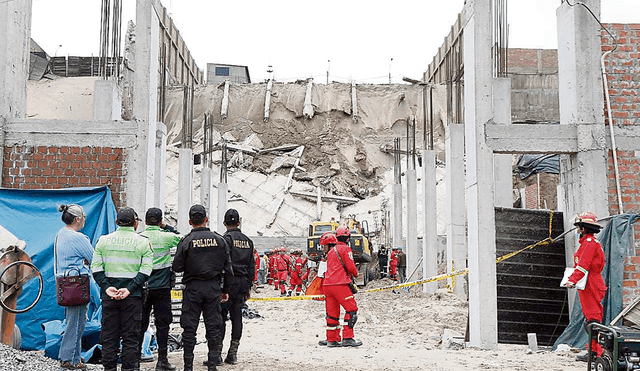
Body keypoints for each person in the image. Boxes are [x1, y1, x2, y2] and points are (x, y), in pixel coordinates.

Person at [91, 207, 154, 371]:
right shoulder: (143, 242)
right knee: (130, 339)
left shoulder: (103, 241)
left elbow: (96, 268)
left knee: (109, 338)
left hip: (109, 297)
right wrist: (130, 289)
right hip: (133, 298)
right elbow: (146, 270)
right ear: (135, 223)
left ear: (116, 222)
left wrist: (107, 287)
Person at [172, 205, 232, 371]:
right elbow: (228, 269)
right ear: (206, 219)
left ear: (190, 221)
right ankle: (212, 365)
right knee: (213, 327)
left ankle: (188, 367)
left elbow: (176, 267)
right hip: (213, 288)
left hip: (192, 288)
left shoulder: (186, 241)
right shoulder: (220, 240)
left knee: (189, 328)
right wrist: (225, 290)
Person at [138, 207, 181, 371]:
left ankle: (135, 361)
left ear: (146, 220)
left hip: (142, 286)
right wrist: (167, 227)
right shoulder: (167, 237)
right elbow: (183, 238)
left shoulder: (139, 238)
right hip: (162, 287)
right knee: (163, 325)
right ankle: (162, 361)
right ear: (160, 220)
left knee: (140, 324)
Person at [55, 204, 94, 371]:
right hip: (77, 283)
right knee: (77, 322)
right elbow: (94, 258)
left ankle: (74, 357)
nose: (85, 219)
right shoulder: (78, 238)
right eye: (83, 216)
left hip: (64, 284)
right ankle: (68, 359)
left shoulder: (60, 234)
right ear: (77, 219)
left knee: (73, 320)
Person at [565, 212, 607, 362]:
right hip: (590, 282)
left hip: (591, 284)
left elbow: (583, 266)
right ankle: (593, 351)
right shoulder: (590, 243)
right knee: (591, 320)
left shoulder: (589, 243)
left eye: (578, 227)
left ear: (583, 228)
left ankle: (596, 353)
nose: (577, 231)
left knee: (593, 321)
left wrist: (571, 280)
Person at [220, 208, 254, 365]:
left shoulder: (225, 240)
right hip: (242, 284)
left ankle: (217, 354)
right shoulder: (248, 241)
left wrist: (222, 287)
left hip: (228, 283)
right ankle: (233, 353)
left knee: (220, 318)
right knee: (237, 317)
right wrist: (248, 287)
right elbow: (251, 267)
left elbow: (222, 264)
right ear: (239, 222)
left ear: (224, 223)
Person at [323, 226, 362, 347]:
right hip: (340, 284)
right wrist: (355, 274)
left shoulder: (331, 251)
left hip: (328, 285)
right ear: (348, 238)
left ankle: (332, 339)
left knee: (332, 313)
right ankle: (348, 338)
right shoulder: (346, 249)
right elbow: (350, 267)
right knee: (352, 310)